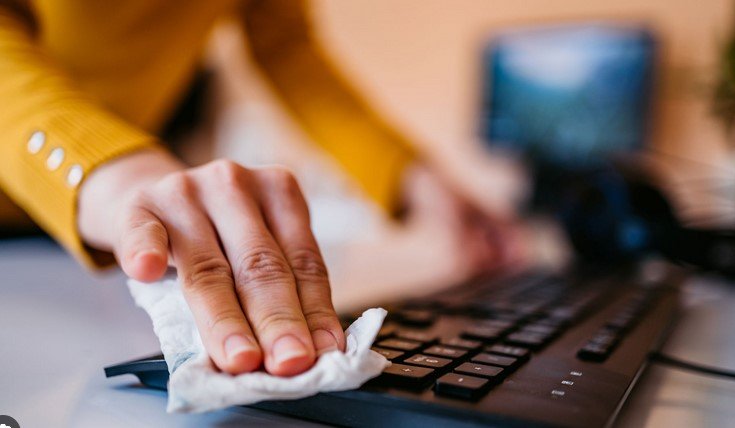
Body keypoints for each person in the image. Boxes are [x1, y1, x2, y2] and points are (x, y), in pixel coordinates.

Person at [0, 0, 521, 378]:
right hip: (78, 179)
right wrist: (107, 167)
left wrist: (418, 180)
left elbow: (286, 45)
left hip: (100, 219)